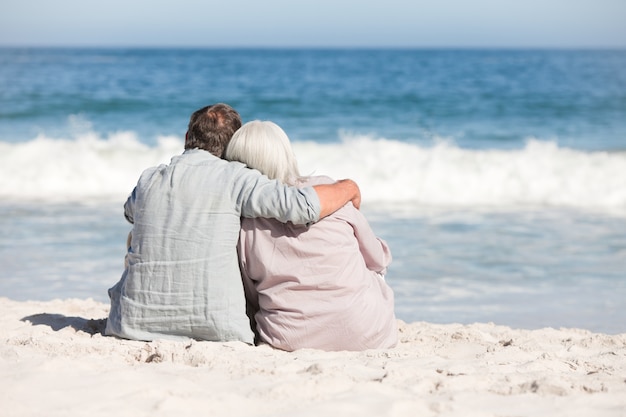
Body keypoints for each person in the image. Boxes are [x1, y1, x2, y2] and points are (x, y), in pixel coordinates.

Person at [105, 104, 362, 343]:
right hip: (217, 329)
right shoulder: (237, 178)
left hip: (130, 325)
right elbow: (301, 206)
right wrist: (348, 187)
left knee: (136, 234)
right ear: (230, 147)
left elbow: (131, 213)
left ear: (187, 137)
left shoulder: (149, 178)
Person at [224, 120, 398, 351]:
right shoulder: (328, 194)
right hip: (368, 336)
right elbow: (377, 259)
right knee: (374, 274)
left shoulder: (244, 225)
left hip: (289, 341)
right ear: (286, 154)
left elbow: (251, 295)